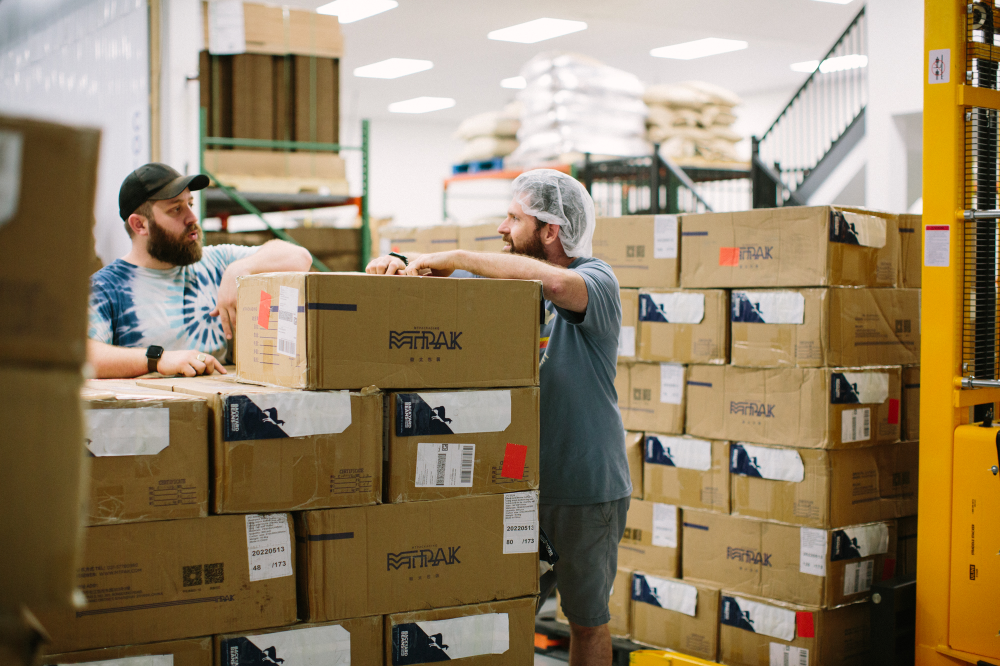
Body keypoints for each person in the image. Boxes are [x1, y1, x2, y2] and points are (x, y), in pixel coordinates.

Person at [367, 169, 631, 666]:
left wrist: (461, 255)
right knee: (500, 609)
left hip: (584, 488)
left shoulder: (596, 281)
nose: (502, 228)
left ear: (551, 230)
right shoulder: (508, 279)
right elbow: (447, 282)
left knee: (586, 619)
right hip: (515, 486)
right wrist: (399, 264)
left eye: (514, 218)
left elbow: (554, 282)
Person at [88, 163, 312, 378]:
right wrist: (158, 359)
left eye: (190, 205)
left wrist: (241, 268)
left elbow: (300, 258)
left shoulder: (217, 262)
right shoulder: (106, 288)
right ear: (140, 225)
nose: (192, 218)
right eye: (176, 209)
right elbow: (83, 355)